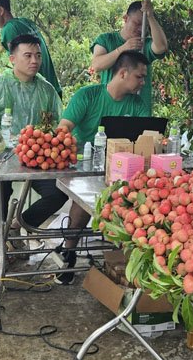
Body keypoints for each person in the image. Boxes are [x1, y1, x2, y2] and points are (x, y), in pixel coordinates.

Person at [0, 34, 68, 273]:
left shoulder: (46, 91)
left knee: (59, 193)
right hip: (1, 156)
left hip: (36, 158)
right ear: (12, 58)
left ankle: (17, 226)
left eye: (37, 55)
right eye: (28, 55)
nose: (34, 60)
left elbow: (54, 125)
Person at [54, 51, 150, 284]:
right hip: (84, 166)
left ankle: (123, 262)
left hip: (124, 169)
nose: (143, 82)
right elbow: (63, 127)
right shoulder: (88, 96)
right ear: (123, 73)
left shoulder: (138, 105)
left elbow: (147, 137)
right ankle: (69, 251)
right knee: (82, 201)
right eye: (139, 76)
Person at [0, 0, 62, 98]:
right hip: (52, 88)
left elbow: (18, 68)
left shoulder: (9, 29)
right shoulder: (26, 22)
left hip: (38, 93)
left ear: (0, 10)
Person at [90, 0, 168, 108]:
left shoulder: (145, 44)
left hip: (139, 109)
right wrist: (123, 48)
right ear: (126, 18)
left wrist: (151, 17)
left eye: (145, 25)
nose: (140, 29)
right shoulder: (106, 39)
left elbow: (162, 47)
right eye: (137, 23)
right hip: (109, 107)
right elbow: (96, 65)